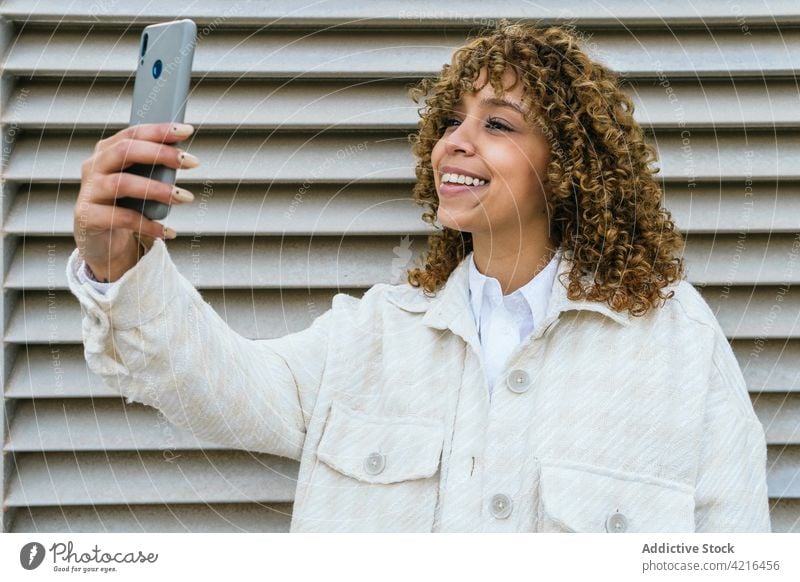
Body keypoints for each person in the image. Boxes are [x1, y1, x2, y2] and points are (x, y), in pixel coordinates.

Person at [67, 21, 771, 533]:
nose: (457, 141)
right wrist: (118, 261)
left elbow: (735, 544)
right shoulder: (371, 335)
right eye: (452, 120)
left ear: (567, 168)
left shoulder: (677, 343)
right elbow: (213, 383)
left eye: (499, 123)